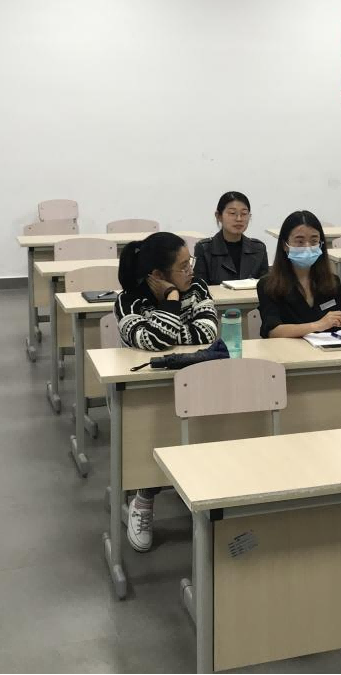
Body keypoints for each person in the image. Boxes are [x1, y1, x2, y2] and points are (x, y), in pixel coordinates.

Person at [114, 231, 219, 552]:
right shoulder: (128, 302)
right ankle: (143, 498)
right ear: (158, 275)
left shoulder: (198, 288)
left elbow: (208, 331)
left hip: (197, 384)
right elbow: (153, 341)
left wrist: (166, 331)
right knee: (152, 432)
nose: (191, 271)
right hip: (149, 392)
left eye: (190, 263)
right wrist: (172, 299)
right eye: (183, 267)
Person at [257, 211, 341, 338]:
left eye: (314, 241)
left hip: (325, 348)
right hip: (286, 349)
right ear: (285, 245)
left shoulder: (332, 282)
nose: (307, 247)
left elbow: (339, 326)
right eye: (300, 242)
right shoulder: (268, 285)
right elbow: (273, 331)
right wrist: (317, 325)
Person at [193, 191, 269, 285]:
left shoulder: (258, 248)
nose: (239, 219)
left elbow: (265, 287)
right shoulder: (204, 249)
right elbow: (200, 287)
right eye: (232, 213)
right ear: (219, 216)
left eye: (244, 213)